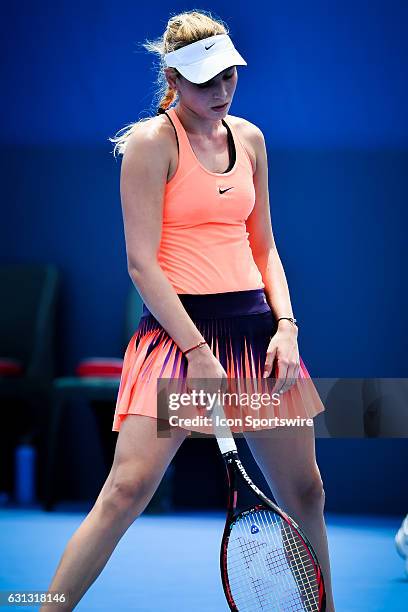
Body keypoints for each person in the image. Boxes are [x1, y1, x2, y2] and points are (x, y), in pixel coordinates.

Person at [42, 10, 336, 611]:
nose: (221, 91)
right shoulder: (149, 145)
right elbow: (141, 265)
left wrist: (287, 327)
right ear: (172, 75)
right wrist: (197, 352)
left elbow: (264, 246)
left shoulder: (250, 139)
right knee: (125, 490)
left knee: (306, 490)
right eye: (205, 80)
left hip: (259, 337)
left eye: (229, 76)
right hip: (179, 341)